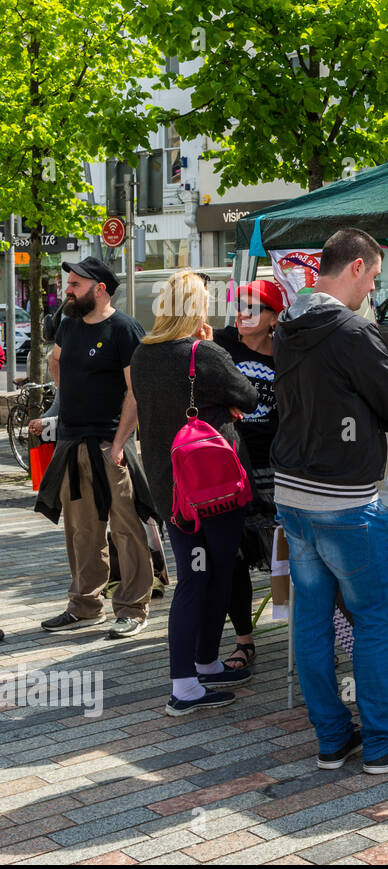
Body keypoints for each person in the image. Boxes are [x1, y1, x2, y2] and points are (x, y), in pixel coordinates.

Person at [273, 228, 388, 773]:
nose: (375, 286)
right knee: (374, 620)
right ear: (354, 268)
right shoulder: (351, 329)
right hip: (346, 498)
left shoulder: (286, 323)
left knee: (312, 619)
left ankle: (332, 737)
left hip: (294, 495)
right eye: (374, 275)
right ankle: (380, 741)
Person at [130, 271, 260, 714]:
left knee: (194, 576)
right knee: (211, 577)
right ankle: (185, 684)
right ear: (197, 308)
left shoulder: (143, 355)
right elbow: (250, 396)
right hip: (214, 487)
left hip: (172, 489)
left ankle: (203, 665)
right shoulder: (205, 353)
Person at [34, 256, 156, 638]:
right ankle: (85, 606)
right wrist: (65, 401)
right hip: (73, 442)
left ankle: (133, 608)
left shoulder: (124, 329)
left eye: (74, 285)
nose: (66, 290)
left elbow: (138, 393)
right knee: (82, 530)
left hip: (110, 443)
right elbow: (56, 362)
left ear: (99, 289)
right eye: (68, 283)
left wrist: (119, 443)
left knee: (126, 528)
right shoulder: (68, 325)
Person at [213, 278, 286, 672]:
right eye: (238, 305)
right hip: (228, 462)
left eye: (252, 307)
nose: (242, 313)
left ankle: (307, 633)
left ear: (273, 318)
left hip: (275, 464)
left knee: (287, 549)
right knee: (233, 553)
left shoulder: (288, 355)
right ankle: (243, 641)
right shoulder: (222, 343)